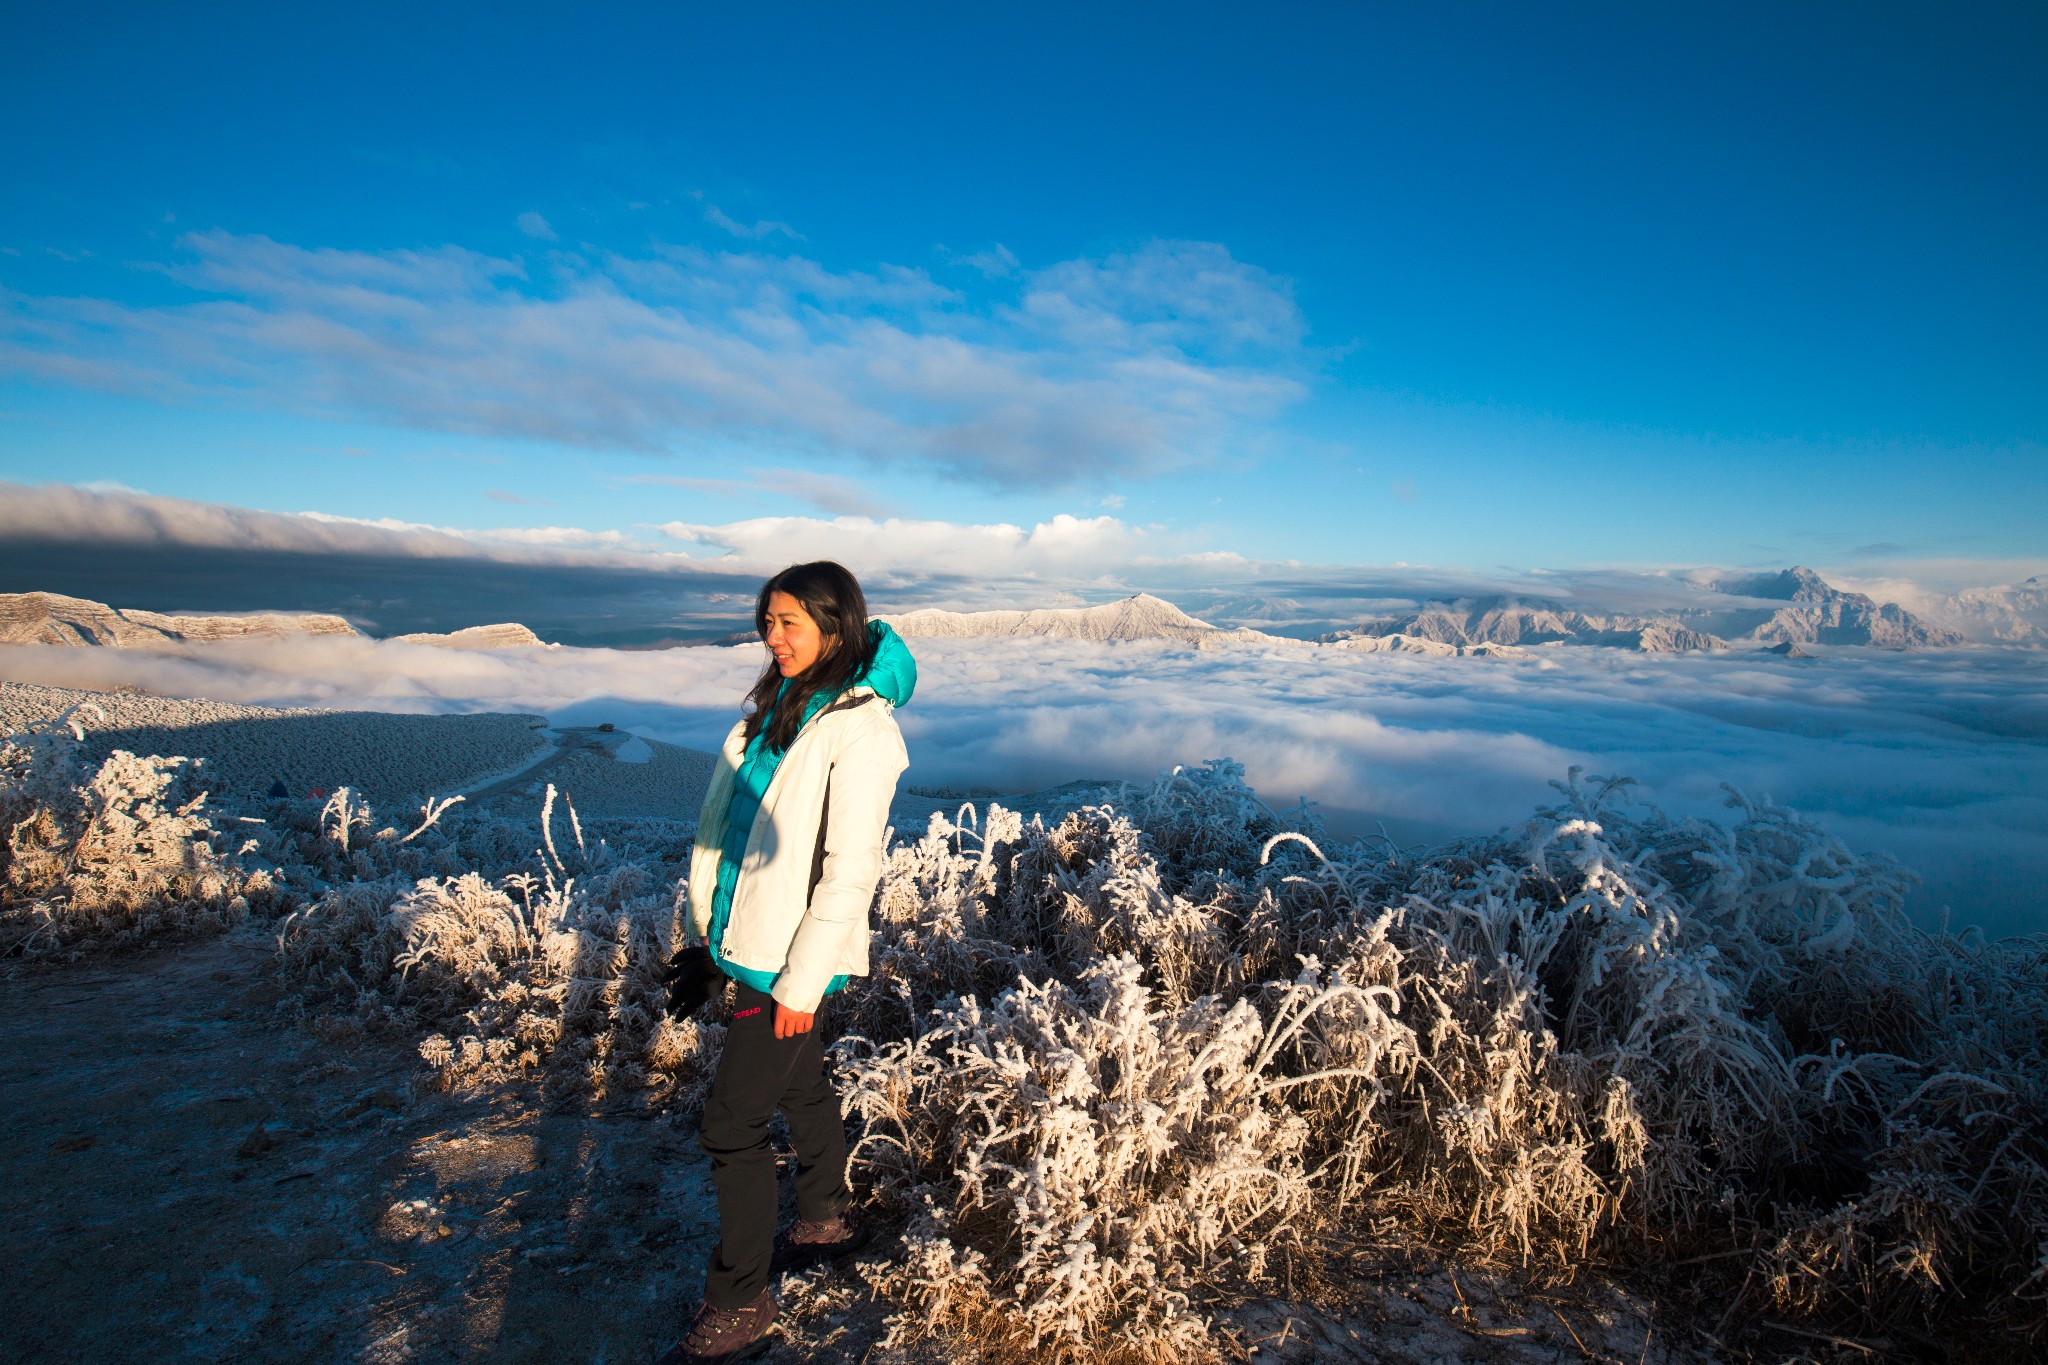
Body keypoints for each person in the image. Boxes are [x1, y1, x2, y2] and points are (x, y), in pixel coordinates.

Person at [661, 560, 916, 1365]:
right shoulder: (777, 706)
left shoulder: (862, 728)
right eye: (766, 621)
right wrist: (711, 945)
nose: (772, 637)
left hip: (791, 957)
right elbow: (732, 833)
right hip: (751, 943)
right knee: (801, 1080)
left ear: (835, 625)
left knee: (730, 1124)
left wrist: (801, 983)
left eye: (790, 622)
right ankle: (824, 1216)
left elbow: (849, 870)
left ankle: (740, 1299)